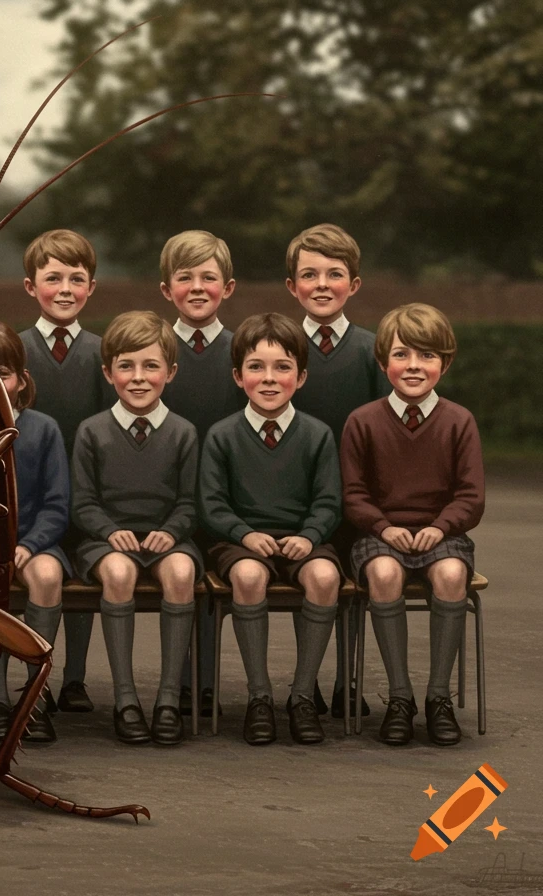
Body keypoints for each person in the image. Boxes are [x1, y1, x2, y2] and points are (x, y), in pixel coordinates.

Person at [340, 303, 484, 746]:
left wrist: (441, 528)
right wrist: (383, 527)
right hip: (380, 536)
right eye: (402, 355)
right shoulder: (362, 421)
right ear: (383, 363)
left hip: (443, 535)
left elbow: (471, 497)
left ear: (445, 363)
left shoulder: (459, 421)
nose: (414, 366)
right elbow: (353, 494)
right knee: (384, 574)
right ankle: (400, 697)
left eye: (426, 356)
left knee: (451, 573)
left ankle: (438, 697)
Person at [198, 313, 342, 746]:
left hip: (303, 540)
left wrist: (310, 535)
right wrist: (245, 534)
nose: (269, 378)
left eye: (282, 367)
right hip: (240, 542)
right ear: (238, 376)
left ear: (300, 376)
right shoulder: (222, 435)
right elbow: (211, 504)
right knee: (248, 576)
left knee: (325, 577)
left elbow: (329, 501)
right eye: (256, 367)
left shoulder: (317, 435)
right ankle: (259, 697)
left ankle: (300, 697)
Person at [72, 311, 201, 746]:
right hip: (107, 541)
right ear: (108, 373)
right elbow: (83, 502)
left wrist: (172, 530)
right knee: (119, 573)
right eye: (126, 366)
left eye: (151, 366)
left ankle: (167, 699)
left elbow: (189, 501)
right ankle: (126, 700)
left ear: (171, 372)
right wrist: (109, 531)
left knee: (182, 574)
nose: (139, 377)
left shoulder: (184, 433)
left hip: (167, 538)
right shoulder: (92, 432)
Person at [285, 223, 389, 718]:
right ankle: (307, 682)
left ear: (355, 284)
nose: (322, 284)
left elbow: (383, 426)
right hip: (296, 496)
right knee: (312, 583)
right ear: (292, 286)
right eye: (310, 274)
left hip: (356, 491)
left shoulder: (373, 350)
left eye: (335, 273)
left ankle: (349, 679)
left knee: (354, 587)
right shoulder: (280, 349)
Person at [17, 228, 110, 714]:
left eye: (78, 278)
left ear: (91, 287)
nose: (67, 289)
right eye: (54, 278)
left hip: (89, 488)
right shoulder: (16, 352)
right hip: (35, 493)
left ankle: (74, 677)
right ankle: (38, 677)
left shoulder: (103, 353)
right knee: (45, 576)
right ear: (32, 287)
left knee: (82, 582)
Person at [157, 229, 246, 718]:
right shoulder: (151, 351)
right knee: (181, 579)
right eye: (184, 277)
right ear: (166, 290)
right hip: (166, 494)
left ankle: (204, 683)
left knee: (218, 580)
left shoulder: (242, 352)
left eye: (208, 278)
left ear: (227, 288)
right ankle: (178, 683)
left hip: (226, 496)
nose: (197, 287)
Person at [0, 321, 70, 745]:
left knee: (48, 577)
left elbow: (56, 505)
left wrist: (29, 545)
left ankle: (35, 693)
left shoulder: (44, 428)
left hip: (37, 542)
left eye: (5, 373)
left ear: (21, 380)